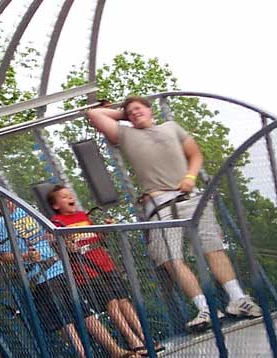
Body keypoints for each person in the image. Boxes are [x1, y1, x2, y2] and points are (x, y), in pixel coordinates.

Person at [86, 96, 262, 330]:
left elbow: (196, 154)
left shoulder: (171, 127)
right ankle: (206, 309)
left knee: (213, 249)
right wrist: (125, 114)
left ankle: (238, 299)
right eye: (130, 111)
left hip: (191, 197)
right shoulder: (126, 135)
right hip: (159, 204)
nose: (134, 112)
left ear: (151, 111)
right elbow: (94, 115)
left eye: (139, 108)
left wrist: (190, 177)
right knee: (170, 259)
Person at [0, 190, 141, 358]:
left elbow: (49, 234)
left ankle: (114, 350)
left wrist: (58, 240)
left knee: (86, 313)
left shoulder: (27, 212)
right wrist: (25, 256)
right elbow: (2, 255)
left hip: (59, 268)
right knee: (65, 321)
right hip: (40, 276)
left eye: (5, 198)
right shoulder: (0, 224)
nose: (6, 202)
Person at [47, 184, 164, 357]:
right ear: (56, 205)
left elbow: (97, 238)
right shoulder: (56, 223)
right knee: (111, 303)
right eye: (64, 197)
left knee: (124, 300)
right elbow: (59, 246)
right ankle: (133, 341)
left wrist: (105, 229)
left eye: (69, 195)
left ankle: (145, 336)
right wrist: (65, 245)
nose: (69, 198)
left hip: (104, 264)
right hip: (85, 270)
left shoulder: (82, 216)